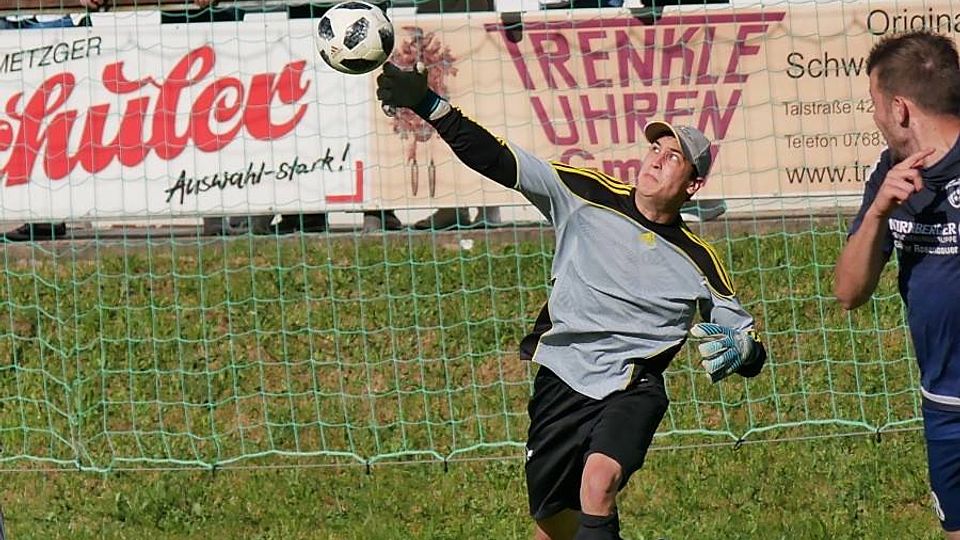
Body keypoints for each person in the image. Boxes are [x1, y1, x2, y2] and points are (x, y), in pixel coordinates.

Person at [377, 63, 766, 539]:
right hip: (562, 380)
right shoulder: (584, 193)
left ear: (692, 185)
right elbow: (499, 159)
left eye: (674, 157)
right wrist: (428, 104)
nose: (657, 160)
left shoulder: (697, 260)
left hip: (632, 386)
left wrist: (745, 350)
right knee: (553, 525)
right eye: (655, 148)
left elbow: (746, 339)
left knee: (599, 483)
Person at [834, 30, 960, 539]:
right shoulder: (889, 173)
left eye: (875, 104)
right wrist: (878, 213)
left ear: (900, 108)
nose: (875, 117)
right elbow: (848, 293)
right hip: (945, 403)